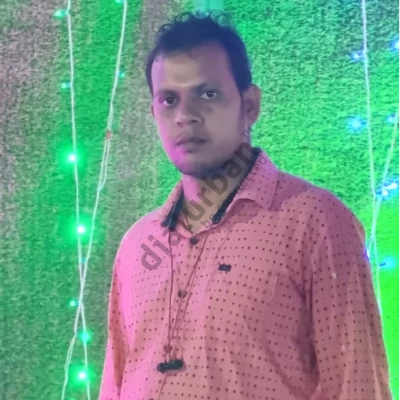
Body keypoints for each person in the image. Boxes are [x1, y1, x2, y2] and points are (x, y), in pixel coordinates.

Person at [99, 11, 392, 400]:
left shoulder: (315, 223)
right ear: (154, 113)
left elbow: (357, 385)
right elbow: (116, 383)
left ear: (250, 105)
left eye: (207, 94)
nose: (185, 116)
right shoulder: (138, 245)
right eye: (169, 100)